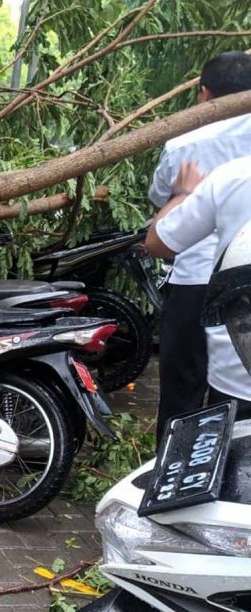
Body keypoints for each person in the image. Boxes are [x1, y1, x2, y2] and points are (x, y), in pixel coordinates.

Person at [148, 51, 251, 439]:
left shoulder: (183, 143)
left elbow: (160, 208)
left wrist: (182, 194)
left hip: (193, 279)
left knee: (181, 394)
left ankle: (174, 464)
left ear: (204, 93)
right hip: (241, 288)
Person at [147, 154, 251, 418]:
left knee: (182, 398)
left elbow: (158, 242)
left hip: (237, 371)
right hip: (235, 363)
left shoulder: (232, 175)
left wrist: (182, 194)